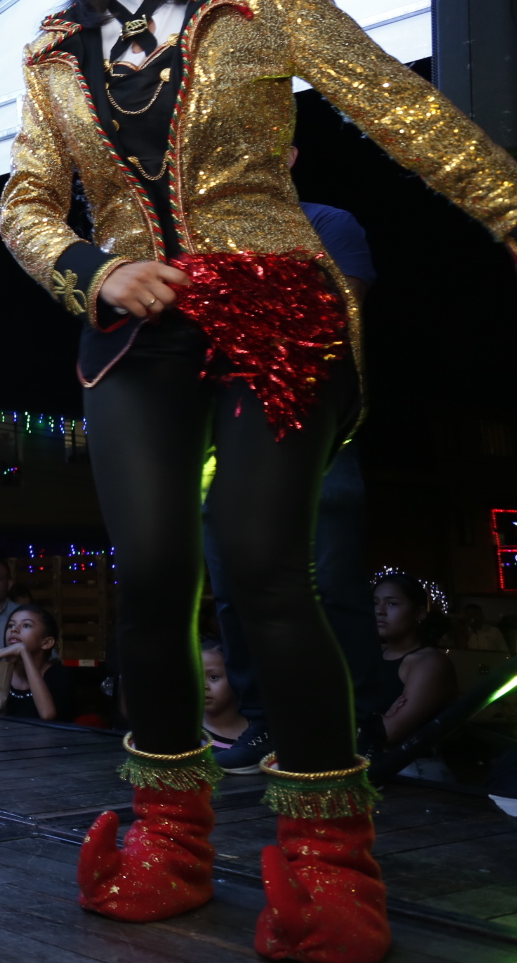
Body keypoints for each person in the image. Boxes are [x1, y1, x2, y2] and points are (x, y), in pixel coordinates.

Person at [0, 0, 517, 958]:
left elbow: (394, 102)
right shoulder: (52, 50)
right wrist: (95, 267)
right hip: (136, 330)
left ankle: (332, 859)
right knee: (151, 577)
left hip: (277, 305)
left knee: (261, 565)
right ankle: (168, 838)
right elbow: (26, 203)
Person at [206, 153, 385, 772]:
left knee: (329, 580)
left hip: (313, 424)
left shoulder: (328, 223)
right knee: (232, 586)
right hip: (225, 435)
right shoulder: (200, 236)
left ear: (285, 154)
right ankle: (263, 721)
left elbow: (338, 316)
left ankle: (358, 722)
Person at [374, 571, 457, 748]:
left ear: (419, 613)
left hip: (411, 764)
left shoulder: (430, 663)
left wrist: (360, 717)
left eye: (392, 603)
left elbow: (389, 732)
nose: (379, 611)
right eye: (375, 603)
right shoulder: (373, 654)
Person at [0, 604, 78, 723]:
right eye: (11, 625)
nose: (14, 629)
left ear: (47, 643)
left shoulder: (59, 675)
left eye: (26, 625)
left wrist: (23, 651)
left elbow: (47, 715)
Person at [201, 640, 250, 751]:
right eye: (197, 677)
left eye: (213, 677)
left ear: (236, 678)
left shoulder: (261, 729)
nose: (204, 686)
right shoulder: (187, 735)